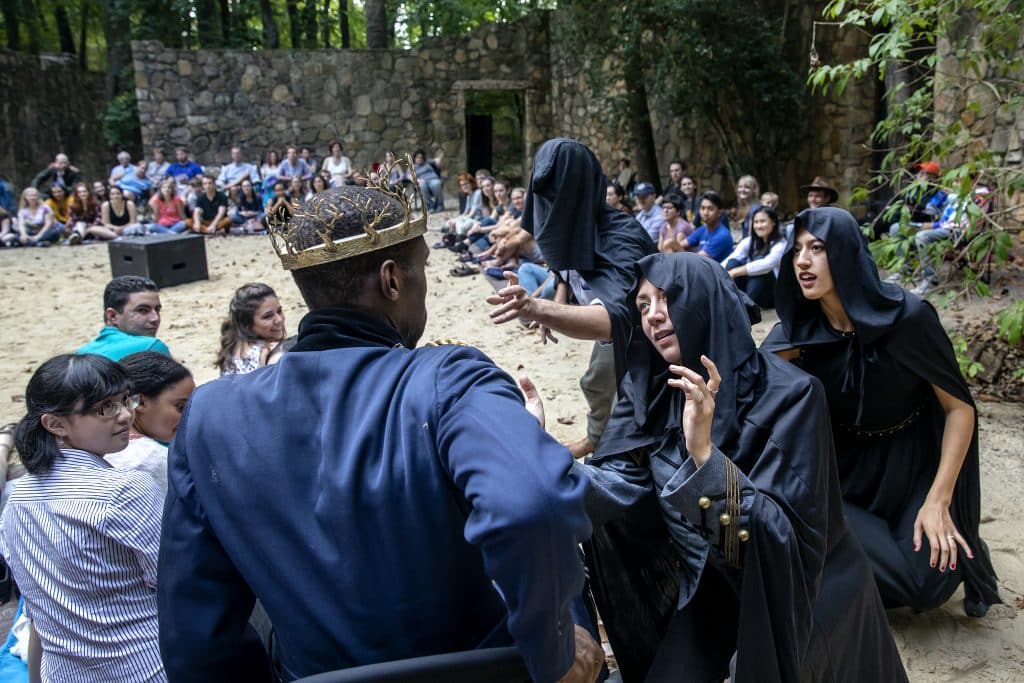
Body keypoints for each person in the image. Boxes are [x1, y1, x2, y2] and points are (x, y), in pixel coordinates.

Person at [158, 183, 602, 682]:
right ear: (392, 280)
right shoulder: (450, 377)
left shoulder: (208, 415)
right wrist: (556, 649)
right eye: (424, 268)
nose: (426, 286)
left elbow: (194, 628)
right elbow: (533, 503)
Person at [576, 252, 907, 682]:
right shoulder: (651, 391)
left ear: (705, 300)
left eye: (667, 299)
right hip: (712, 589)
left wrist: (705, 456)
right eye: (643, 306)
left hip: (802, 594)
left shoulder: (791, 397)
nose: (654, 316)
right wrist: (534, 458)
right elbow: (617, 486)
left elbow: (777, 540)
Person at [762, 206, 1001, 618]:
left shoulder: (908, 319)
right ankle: (831, 551)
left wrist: (938, 501)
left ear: (846, 251)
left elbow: (959, 408)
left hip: (913, 467)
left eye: (817, 248)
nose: (802, 260)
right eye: (797, 249)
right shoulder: (797, 334)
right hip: (844, 476)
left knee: (928, 584)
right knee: (904, 580)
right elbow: (750, 391)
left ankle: (837, 564)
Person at [0, 354, 166, 682]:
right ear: (55, 424)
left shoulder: (19, 498)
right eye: (104, 407)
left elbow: (38, 616)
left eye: (125, 400)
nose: (125, 415)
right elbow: (174, 585)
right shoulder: (126, 489)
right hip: (148, 667)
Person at [488, 138, 656, 458]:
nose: (549, 209)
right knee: (595, 382)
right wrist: (559, 304)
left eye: (557, 198)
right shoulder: (573, 227)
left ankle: (619, 449)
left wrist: (538, 308)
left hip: (652, 337)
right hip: (619, 333)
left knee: (633, 401)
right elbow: (565, 266)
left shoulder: (621, 238)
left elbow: (613, 319)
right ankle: (596, 439)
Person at [106, 351, 195, 493]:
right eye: (181, 407)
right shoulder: (152, 459)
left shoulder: (96, 444)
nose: (189, 416)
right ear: (139, 402)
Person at [77, 276, 171, 360]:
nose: (155, 318)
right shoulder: (151, 348)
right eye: (143, 310)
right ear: (112, 316)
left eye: (157, 310)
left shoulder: (79, 356)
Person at [214, 283, 286, 376]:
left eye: (279, 311)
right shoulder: (274, 353)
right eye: (267, 316)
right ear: (247, 323)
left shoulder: (230, 348)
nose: (279, 320)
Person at [721, 205, 786, 308]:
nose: (759, 226)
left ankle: (746, 307)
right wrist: (716, 272)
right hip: (752, 288)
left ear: (773, 222)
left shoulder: (781, 244)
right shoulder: (750, 241)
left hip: (771, 293)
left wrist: (734, 272)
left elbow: (766, 264)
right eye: (756, 222)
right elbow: (733, 257)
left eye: (762, 221)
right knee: (733, 262)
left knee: (759, 267)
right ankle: (731, 302)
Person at [684, 191, 734, 261]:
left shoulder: (722, 235)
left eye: (710, 209)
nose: (705, 213)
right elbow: (682, 244)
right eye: (702, 208)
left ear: (719, 212)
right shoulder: (702, 229)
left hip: (715, 271)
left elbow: (696, 261)